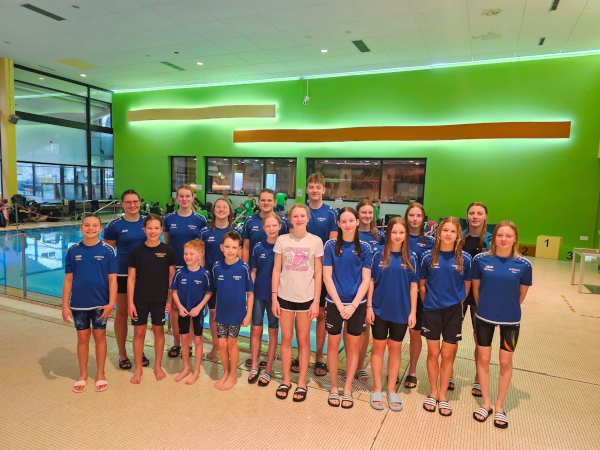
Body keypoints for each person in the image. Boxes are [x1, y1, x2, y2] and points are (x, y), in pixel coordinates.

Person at [471, 221, 532, 429]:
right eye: (500, 235)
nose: (503, 239)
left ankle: (499, 407)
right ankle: (486, 404)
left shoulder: (524, 265)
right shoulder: (480, 260)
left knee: (505, 362)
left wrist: (506, 308)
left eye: (508, 236)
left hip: (510, 321)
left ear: (515, 239)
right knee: (483, 359)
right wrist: (486, 308)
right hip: (484, 318)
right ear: (493, 238)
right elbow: (476, 290)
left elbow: (521, 295)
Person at [419, 217, 472, 416]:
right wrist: (430, 302)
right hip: (432, 310)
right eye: (445, 230)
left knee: (447, 354)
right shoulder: (427, 257)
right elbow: (422, 286)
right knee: (433, 353)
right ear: (439, 233)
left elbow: (466, 286)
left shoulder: (465, 259)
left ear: (458, 235)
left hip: (453, 312)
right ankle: (433, 392)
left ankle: (443, 395)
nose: (448, 234)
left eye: (453, 231)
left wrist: (455, 302)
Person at [272, 204, 323, 401]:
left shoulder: (315, 241)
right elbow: (276, 270)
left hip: (305, 298)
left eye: (302, 216)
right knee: (286, 339)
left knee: (303, 340)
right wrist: (274, 297)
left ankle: (301, 382)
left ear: (308, 218)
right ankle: (286, 379)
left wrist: (316, 301)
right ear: (290, 219)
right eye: (295, 216)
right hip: (285, 297)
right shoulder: (282, 240)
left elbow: (318, 273)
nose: (299, 219)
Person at [61, 214, 117, 393]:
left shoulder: (108, 250)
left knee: (100, 338)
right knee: (82, 339)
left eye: (94, 225)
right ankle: (83, 375)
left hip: (100, 304)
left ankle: (100, 374)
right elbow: (68, 279)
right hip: (79, 304)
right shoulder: (73, 251)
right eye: (87, 225)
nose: (90, 228)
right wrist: (64, 305)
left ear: (100, 228)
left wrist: (111, 303)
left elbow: (113, 280)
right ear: (81, 228)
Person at [323, 207, 372, 409]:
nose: (348, 224)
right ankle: (334, 386)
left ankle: (348, 388)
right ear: (339, 224)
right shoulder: (330, 245)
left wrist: (353, 305)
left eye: (351, 220)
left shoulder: (365, 248)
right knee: (333, 346)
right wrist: (339, 303)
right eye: (344, 221)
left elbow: (366, 279)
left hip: (356, 305)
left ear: (357, 222)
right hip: (334, 303)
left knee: (352, 348)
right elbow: (327, 277)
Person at [367, 217, 417, 411]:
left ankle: (391, 390)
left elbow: (413, 287)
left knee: (395, 349)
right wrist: (369, 307)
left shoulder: (411, 257)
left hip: (401, 312)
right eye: (394, 232)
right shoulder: (377, 254)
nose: (397, 236)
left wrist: (413, 312)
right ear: (388, 234)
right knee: (378, 348)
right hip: (379, 309)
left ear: (406, 235)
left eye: (401, 232)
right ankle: (377, 389)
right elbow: (371, 282)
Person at [127, 214, 177, 384]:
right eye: (149, 228)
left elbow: (172, 279)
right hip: (140, 299)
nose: (153, 231)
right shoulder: (136, 251)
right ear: (144, 229)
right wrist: (130, 303)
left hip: (160, 299)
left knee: (158, 331)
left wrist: (169, 301)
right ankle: (138, 368)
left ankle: (157, 366)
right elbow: (131, 279)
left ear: (161, 230)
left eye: (156, 228)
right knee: (138, 332)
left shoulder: (168, 251)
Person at [103, 189, 148, 370]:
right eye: (128, 202)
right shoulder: (114, 225)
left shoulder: (147, 222)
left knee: (141, 315)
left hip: (143, 275)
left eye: (135, 201)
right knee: (121, 313)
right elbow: (107, 252)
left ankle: (139, 350)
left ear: (140, 202)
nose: (132, 205)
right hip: (122, 274)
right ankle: (122, 354)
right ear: (122, 204)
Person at [163, 184, 209, 358]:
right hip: (174, 269)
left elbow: (202, 247)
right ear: (177, 198)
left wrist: (201, 271)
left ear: (192, 198)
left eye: (187, 196)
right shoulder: (168, 219)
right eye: (181, 196)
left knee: (192, 306)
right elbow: (167, 244)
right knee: (175, 307)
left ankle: (188, 344)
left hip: (194, 270)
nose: (184, 199)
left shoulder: (200, 220)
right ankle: (177, 343)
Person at [211, 232, 254, 391]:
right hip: (222, 313)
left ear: (239, 249)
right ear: (221, 247)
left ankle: (233, 375)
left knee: (231, 343)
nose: (230, 250)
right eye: (227, 247)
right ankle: (226, 372)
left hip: (237, 313)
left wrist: (248, 314)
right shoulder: (216, 267)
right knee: (221, 344)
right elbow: (216, 291)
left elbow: (250, 294)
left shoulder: (243, 267)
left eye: (234, 247)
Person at [305, 173, 337, 377]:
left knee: (321, 315)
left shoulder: (331, 213)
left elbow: (331, 245)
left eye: (318, 187)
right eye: (311, 186)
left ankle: (319, 357)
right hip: (303, 271)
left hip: (322, 271)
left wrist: (323, 271)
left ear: (324, 190)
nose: (315, 190)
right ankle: (302, 355)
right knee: (303, 316)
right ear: (307, 189)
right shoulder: (301, 211)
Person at [170, 239, 213, 385]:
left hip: (197, 312)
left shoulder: (205, 274)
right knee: (184, 339)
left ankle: (197, 370)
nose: (187, 257)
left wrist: (199, 307)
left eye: (191, 254)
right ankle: (186, 368)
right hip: (183, 311)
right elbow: (174, 291)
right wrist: (179, 306)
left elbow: (209, 293)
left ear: (200, 255)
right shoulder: (179, 273)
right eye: (186, 254)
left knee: (198, 340)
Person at [461, 202, 492, 397]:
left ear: (485, 216)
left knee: (480, 338)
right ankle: (449, 375)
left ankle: (479, 378)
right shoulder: (459, 238)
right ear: (467, 215)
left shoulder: (491, 240)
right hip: (460, 293)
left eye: (479, 213)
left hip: (481, 296)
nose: (475, 216)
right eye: (471, 213)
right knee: (451, 336)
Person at [403, 202, 435, 389]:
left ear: (423, 219)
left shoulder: (430, 242)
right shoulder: (399, 236)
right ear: (406, 217)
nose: (414, 219)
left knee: (415, 334)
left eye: (418, 216)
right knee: (395, 334)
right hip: (399, 292)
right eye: (411, 215)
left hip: (419, 295)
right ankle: (394, 367)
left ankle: (412, 370)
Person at [201, 197, 236, 360]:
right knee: (214, 314)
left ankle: (227, 346)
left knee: (229, 314)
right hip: (211, 279)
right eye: (218, 207)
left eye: (224, 207)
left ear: (229, 211)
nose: (221, 210)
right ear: (214, 210)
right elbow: (201, 256)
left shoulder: (235, 232)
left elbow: (239, 257)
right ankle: (217, 346)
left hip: (230, 280)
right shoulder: (205, 232)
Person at [248, 213, 280, 386]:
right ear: (263, 228)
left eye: (274, 225)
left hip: (276, 297)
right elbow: (253, 272)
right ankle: (254, 364)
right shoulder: (258, 247)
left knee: (273, 331)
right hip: (259, 294)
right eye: (268, 226)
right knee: (256, 329)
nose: (271, 229)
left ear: (280, 226)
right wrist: (250, 295)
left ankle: (268, 368)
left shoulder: (283, 247)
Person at [355, 199, 385, 382]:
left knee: (366, 327)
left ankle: (360, 365)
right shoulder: (351, 233)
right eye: (363, 212)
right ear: (358, 214)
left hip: (373, 285)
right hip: (354, 284)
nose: (367, 215)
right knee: (352, 328)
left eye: (370, 212)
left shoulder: (380, 236)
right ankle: (352, 363)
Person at [242, 189, 287, 265]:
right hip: (254, 269)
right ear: (258, 202)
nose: (266, 203)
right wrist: (245, 268)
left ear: (275, 202)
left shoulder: (283, 222)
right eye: (263, 200)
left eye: (269, 200)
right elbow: (246, 248)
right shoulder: (249, 221)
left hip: (276, 268)